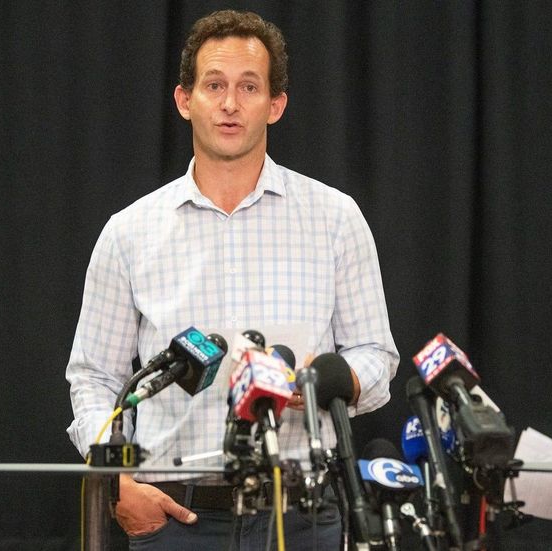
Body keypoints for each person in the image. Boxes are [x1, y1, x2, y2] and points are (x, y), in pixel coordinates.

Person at [66, 9, 399, 550]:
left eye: (249, 87)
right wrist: (117, 485)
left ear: (276, 105)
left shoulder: (336, 219)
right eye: (214, 85)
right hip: (175, 518)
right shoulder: (129, 232)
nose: (228, 104)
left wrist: (317, 383)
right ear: (183, 100)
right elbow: (95, 379)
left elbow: (376, 357)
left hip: (302, 516)